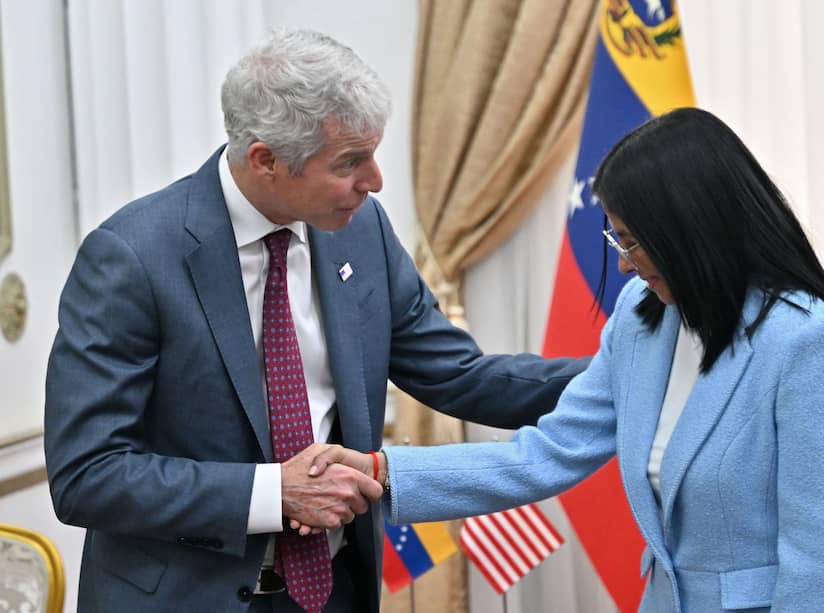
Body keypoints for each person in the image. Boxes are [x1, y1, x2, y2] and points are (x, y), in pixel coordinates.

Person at [43, 29, 587, 613]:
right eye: (350, 162)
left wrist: (623, 371)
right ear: (265, 159)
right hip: (187, 597)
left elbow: (459, 375)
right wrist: (275, 493)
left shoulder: (363, 230)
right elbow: (87, 475)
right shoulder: (133, 256)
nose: (375, 181)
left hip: (335, 589)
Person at [307, 108, 824, 612]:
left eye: (632, 242)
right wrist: (381, 473)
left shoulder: (810, 341)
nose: (623, 266)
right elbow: (545, 455)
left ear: (693, 232)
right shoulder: (642, 316)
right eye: (616, 241)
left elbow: (822, 565)